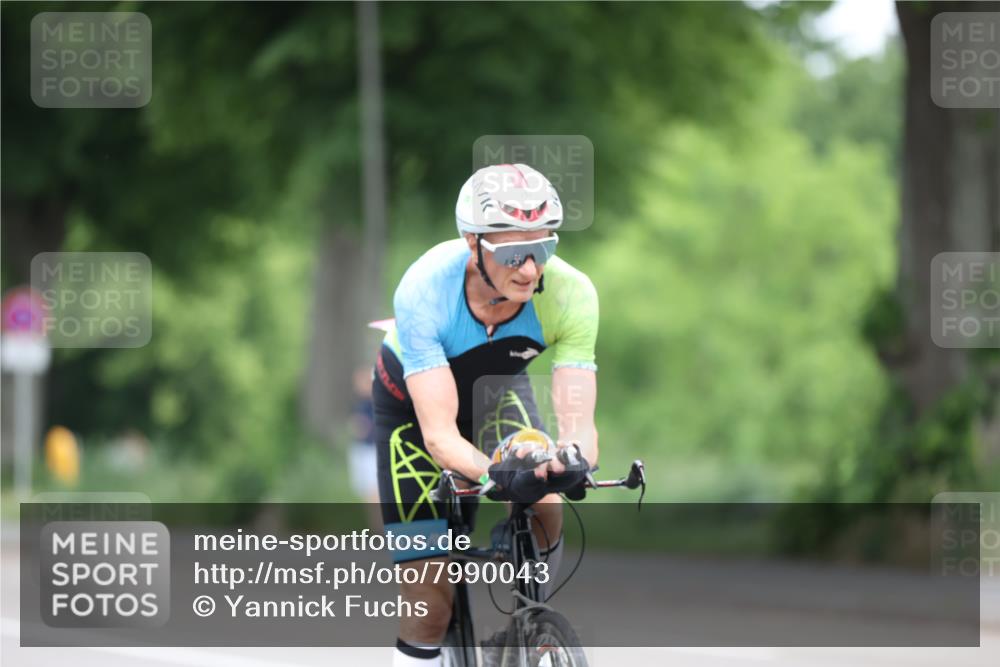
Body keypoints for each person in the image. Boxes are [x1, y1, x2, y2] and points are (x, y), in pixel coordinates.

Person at [373, 163, 599, 667]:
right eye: (514, 252)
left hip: (497, 394)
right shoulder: (425, 289)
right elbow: (439, 436)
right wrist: (496, 474)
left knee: (545, 483)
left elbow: (579, 416)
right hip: (415, 417)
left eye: (543, 249)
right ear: (473, 245)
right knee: (430, 607)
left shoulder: (572, 293)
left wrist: (572, 458)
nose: (529, 269)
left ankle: (527, 622)